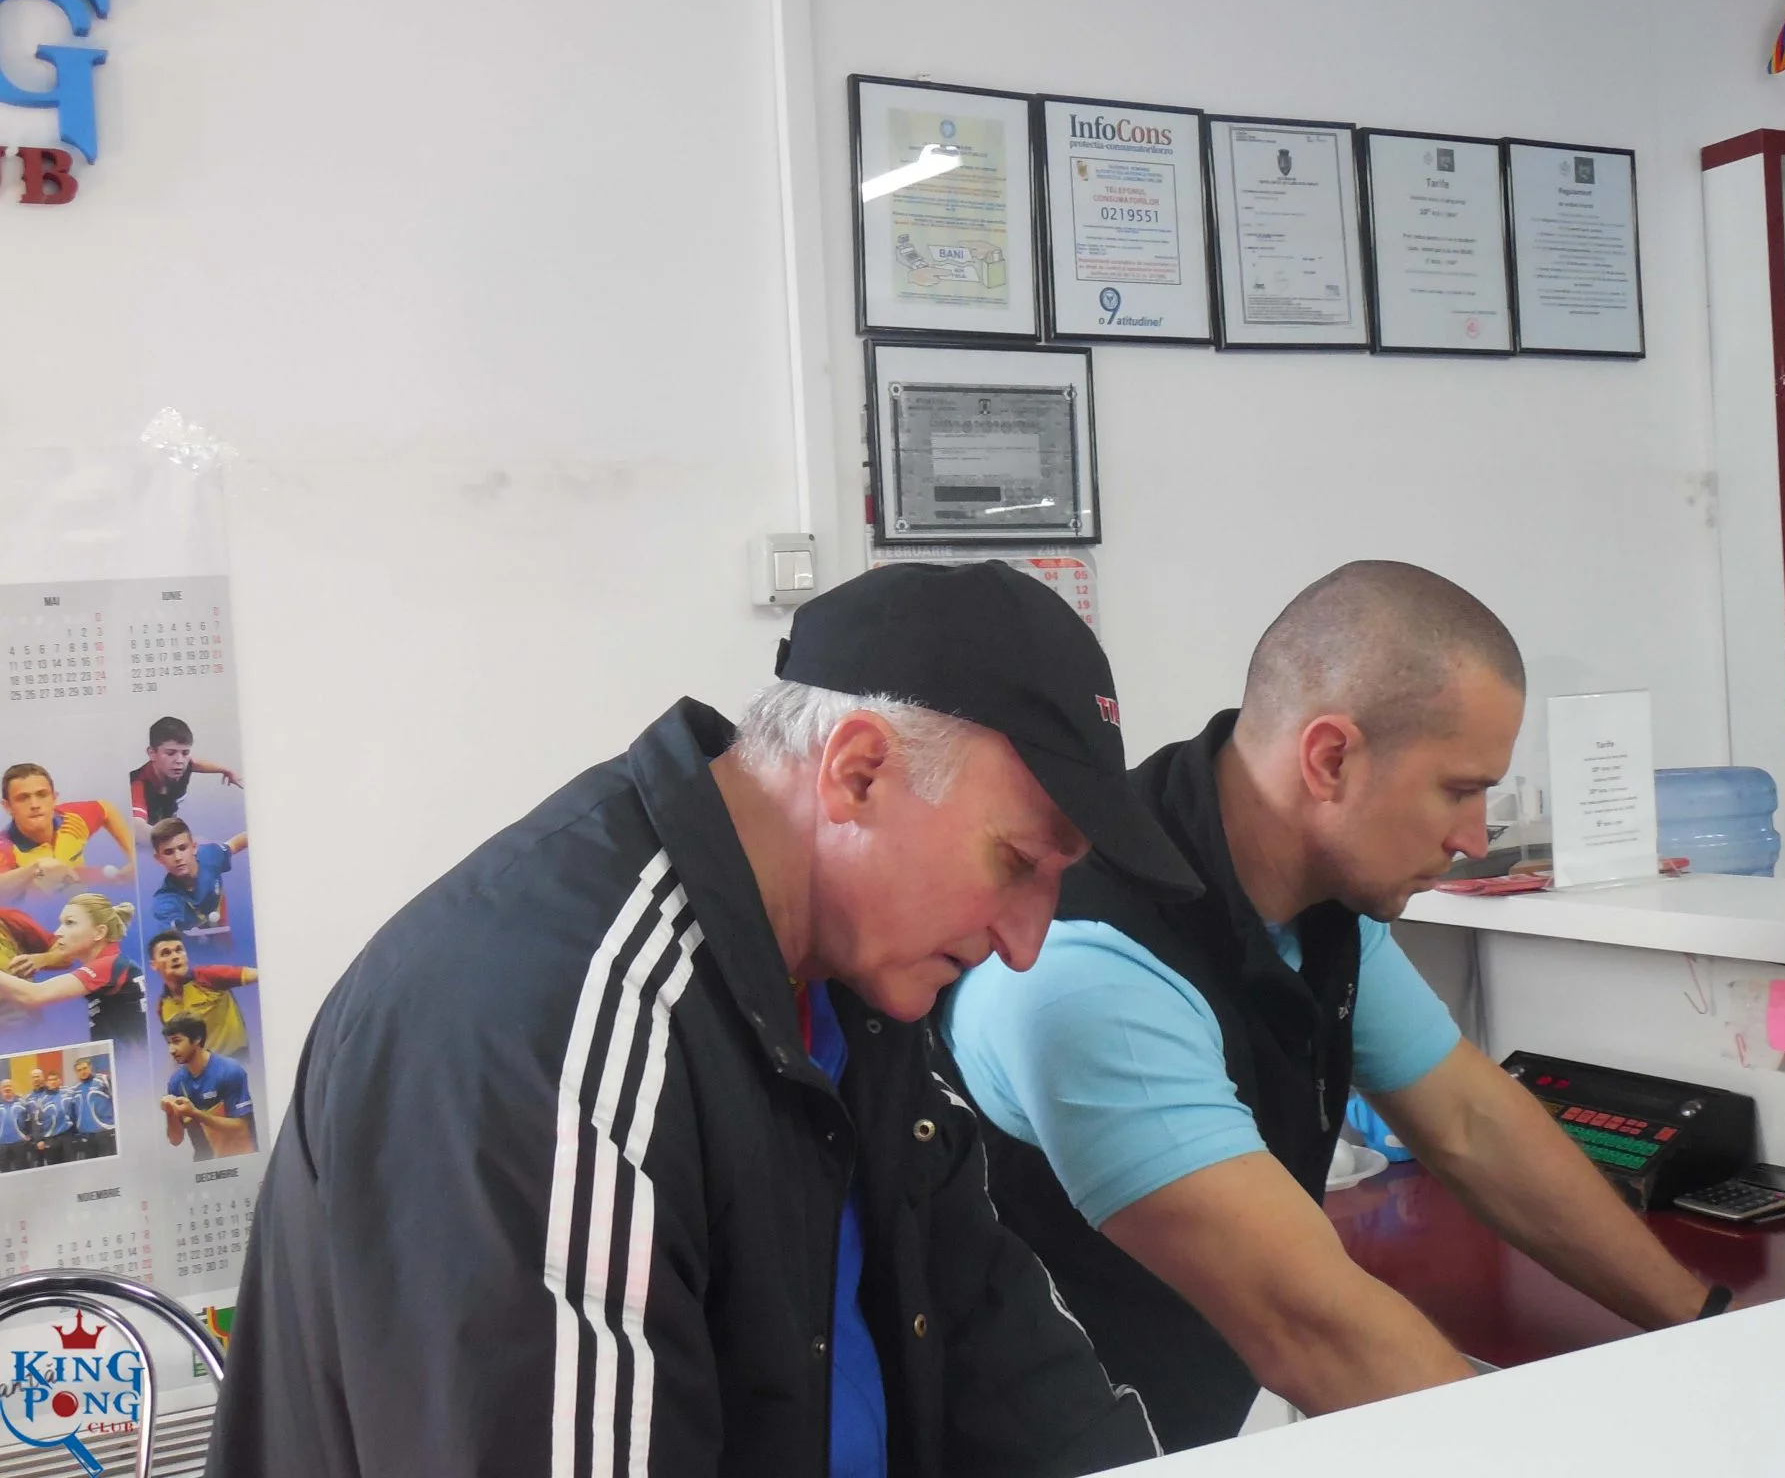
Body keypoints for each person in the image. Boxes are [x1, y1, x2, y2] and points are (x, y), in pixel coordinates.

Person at [209, 561, 1201, 1478]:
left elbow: (1001, 1347)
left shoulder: (854, 990)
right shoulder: (551, 1023)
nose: (1025, 943)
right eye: (1016, 864)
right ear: (857, 773)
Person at [945, 561, 1730, 1452]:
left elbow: (1472, 1121)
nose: (1473, 836)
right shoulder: (1090, 970)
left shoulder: (1314, 902)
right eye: (1459, 789)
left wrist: (1708, 1325)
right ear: (1331, 760)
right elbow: (1312, 1328)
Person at [0, 894, 150, 1047]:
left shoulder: (108, 966)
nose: (58, 932)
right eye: (61, 923)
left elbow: (33, 995)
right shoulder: (116, 964)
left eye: (70, 923)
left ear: (99, 932)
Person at [0, 765, 136, 901]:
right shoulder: (4, 847)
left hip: (85, 897)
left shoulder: (72, 819)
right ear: (7, 806)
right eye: (23, 798)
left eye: (42, 795)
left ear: (54, 798)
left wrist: (134, 858)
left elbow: (106, 809)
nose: (34, 804)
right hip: (38, 909)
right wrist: (34, 869)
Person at [147, 931, 258, 1057]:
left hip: (235, 1059)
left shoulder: (208, 977)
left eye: (179, 950)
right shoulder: (163, 1006)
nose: (175, 957)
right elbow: (176, 1046)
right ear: (154, 965)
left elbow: (260, 974)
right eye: (166, 953)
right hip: (200, 1066)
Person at [161, 1016, 256, 1159]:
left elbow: (241, 1128)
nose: (171, 1050)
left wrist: (195, 1113)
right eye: (169, 1043)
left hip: (239, 1161)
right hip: (204, 1165)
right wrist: (170, 1113)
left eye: (176, 1041)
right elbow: (176, 1140)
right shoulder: (176, 1082)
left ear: (197, 1039)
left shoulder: (230, 1070)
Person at [130, 715, 243, 823]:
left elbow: (195, 763)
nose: (180, 761)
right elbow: (138, 826)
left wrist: (226, 770)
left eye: (185, 753)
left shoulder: (182, 765)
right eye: (170, 753)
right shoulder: (137, 784)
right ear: (152, 753)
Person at [149, 819, 247, 938]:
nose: (178, 857)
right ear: (158, 859)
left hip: (219, 916)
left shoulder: (210, 855)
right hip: (190, 937)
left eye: (182, 848)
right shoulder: (165, 902)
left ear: (194, 847)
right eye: (169, 852)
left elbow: (237, 843)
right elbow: (167, 940)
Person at [70, 1056, 116, 1161]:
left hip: (105, 1132)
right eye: (79, 1070)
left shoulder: (103, 1080)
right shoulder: (75, 1089)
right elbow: (73, 1113)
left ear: (90, 1067)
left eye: (85, 1068)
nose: (83, 1072)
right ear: (76, 1073)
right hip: (86, 1136)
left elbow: (118, 1100)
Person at [27, 1063, 72, 1166]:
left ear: (43, 1079)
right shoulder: (29, 1099)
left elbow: (73, 1112)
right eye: (33, 1077)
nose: (36, 1079)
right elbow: (35, 1121)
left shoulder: (66, 1092)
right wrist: (38, 1139)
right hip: (46, 1139)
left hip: (65, 1136)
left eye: (38, 1076)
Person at [0, 1080, 30, 1173]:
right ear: (1, 1090)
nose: (7, 1088)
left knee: (22, 1171)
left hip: (20, 1143)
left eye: (9, 1086)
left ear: (13, 1088)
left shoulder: (22, 1103)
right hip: (2, 1145)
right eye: (4, 1086)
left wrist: (29, 1136)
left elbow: (30, 1121)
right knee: (4, 1173)